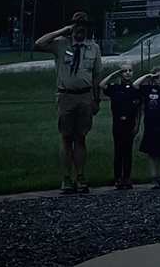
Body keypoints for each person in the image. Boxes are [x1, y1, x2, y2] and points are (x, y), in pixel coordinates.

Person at [35, 11, 104, 195]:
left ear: (87, 28)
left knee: (81, 137)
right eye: (75, 25)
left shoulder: (93, 48)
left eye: (82, 26)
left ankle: (80, 177)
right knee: (66, 138)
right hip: (66, 96)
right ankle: (66, 179)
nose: (79, 29)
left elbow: (97, 75)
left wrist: (96, 100)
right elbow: (39, 43)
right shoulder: (60, 44)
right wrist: (63, 31)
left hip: (85, 97)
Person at [101, 62, 142, 189]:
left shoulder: (136, 89)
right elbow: (101, 84)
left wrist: (138, 123)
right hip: (118, 123)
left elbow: (139, 109)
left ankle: (127, 177)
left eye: (130, 70)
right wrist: (114, 74)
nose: (128, 72)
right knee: (119, 152)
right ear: (120, 73)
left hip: (130, 123)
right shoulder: (115, 88)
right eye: (124, 71)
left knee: (128, 152)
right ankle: (118, 178)